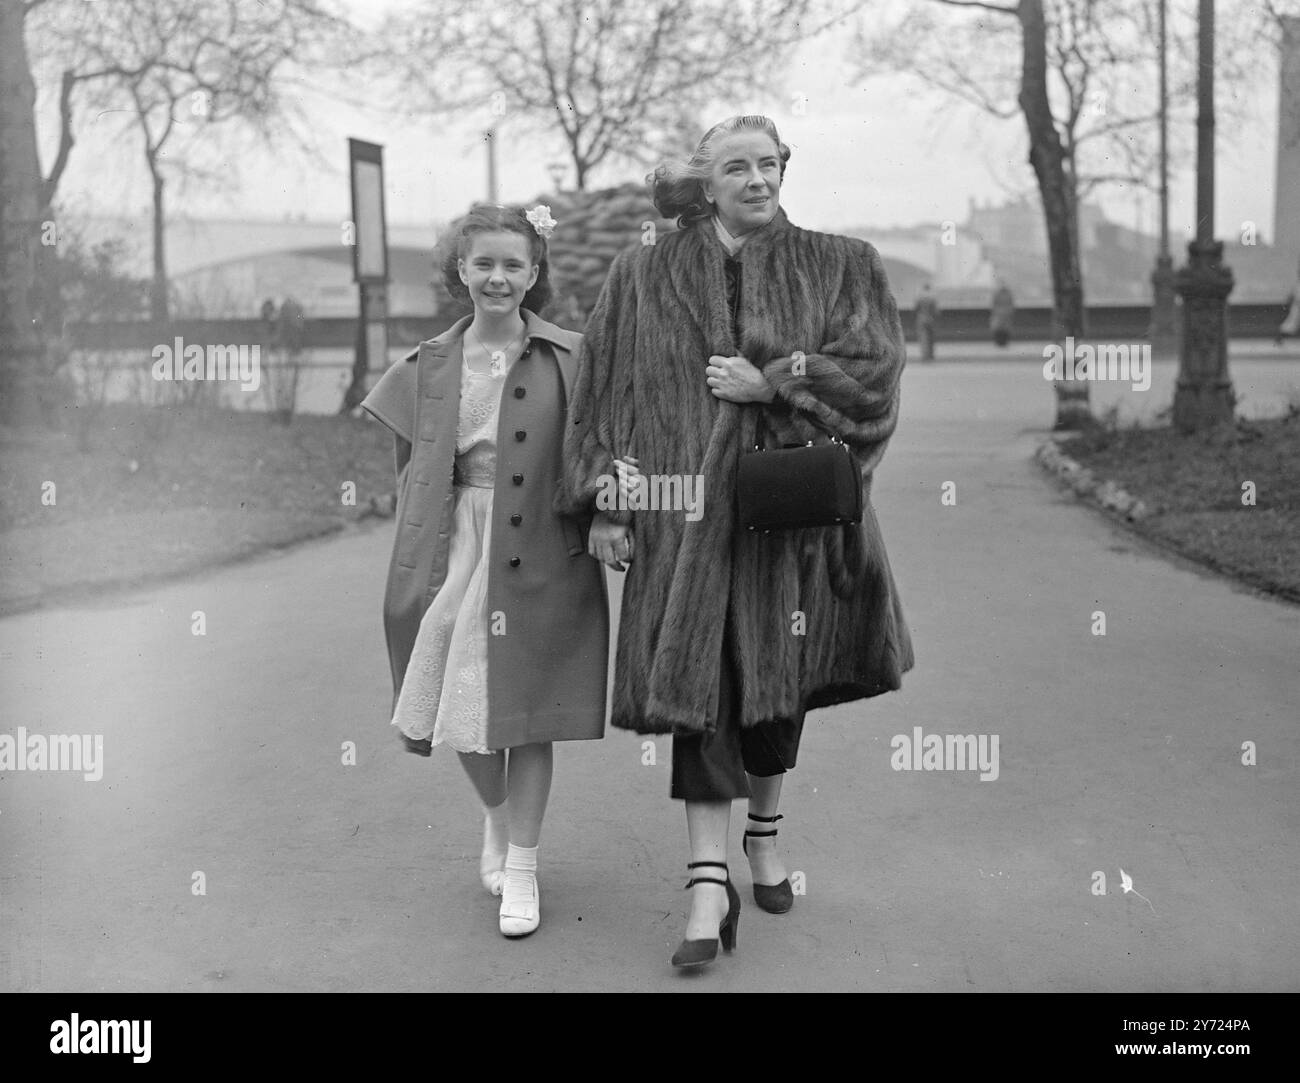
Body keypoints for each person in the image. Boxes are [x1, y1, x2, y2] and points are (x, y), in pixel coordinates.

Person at [559, 115, 914, 971]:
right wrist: (606, 499)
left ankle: (764, 835)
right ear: (705, 184)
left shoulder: (842, 263)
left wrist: (777, 381)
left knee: (776, 694)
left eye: (770, 163)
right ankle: (706, 883)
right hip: (680, 517)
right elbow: (602, 388)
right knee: (702, 692)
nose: (758, 179)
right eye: (737, 167)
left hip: (786, 523)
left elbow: (873, 380)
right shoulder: (642, 272)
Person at [361, 204, 619, 939]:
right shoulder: (429, 364)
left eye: (514, 264)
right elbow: (411, 468)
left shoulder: (571, 353)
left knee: (528, 710)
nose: (499, 277)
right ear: (460, 272)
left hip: (543, 541)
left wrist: (606, 513)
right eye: (484, 264)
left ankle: (525, 869)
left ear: (534, 274)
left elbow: (605, 450)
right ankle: (497, 821)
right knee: (456, 701)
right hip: (461, 544)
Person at [1276, 259, 1300, 346]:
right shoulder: (1298, 284)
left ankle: (1279, 339)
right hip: (1297, 306)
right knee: (1290, 324)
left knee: (1291, 324)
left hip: (1296, 305)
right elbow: (1291, 296)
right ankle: (1279, 339)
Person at [915, 282, 939, 361]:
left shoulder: (920, 297)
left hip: (921, 319)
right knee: (931, 339)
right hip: (930, 319)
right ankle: (931, 356)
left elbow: (916, 309)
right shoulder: (932, 297)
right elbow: (936, 311)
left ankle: (924, 356)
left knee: (923, 338)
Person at [990, 281, 1015, 347]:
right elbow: (994, 304)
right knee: (997, 329)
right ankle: (998, 343)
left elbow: (1011, 303)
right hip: (998, 315)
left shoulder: (1008, 293)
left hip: (1006, 315)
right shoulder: (997, 293)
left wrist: (1009, 311)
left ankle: (1005, 342)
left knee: (1006, 329)